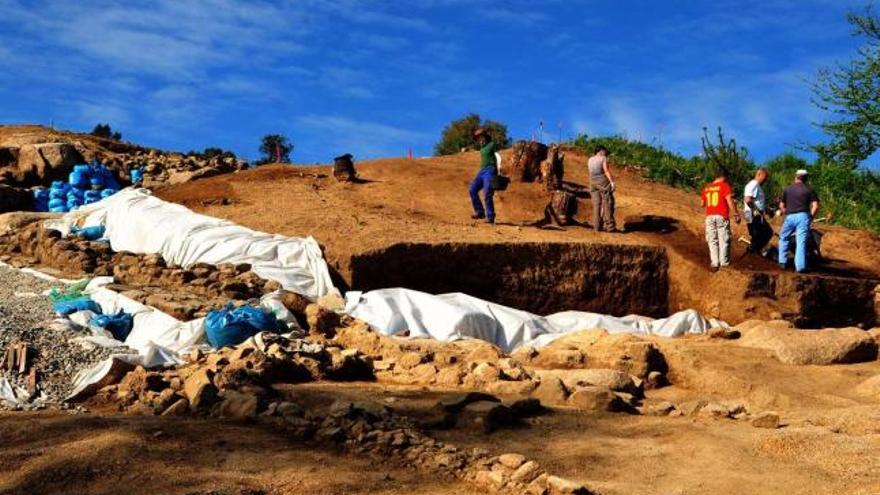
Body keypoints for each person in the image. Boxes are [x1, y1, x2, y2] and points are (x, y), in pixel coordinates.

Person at [778, 169, 820, 273]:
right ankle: (800, 266)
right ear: (806, 178)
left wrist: (785, 213)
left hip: (790, 216)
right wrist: (810, 217)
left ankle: (782, 261)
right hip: (803, 216)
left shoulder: (787, 189)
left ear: (796, 176)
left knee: (784, 237)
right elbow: (815, 206)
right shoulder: (809, 190)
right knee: (801, 241)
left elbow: (782, 206)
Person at [701, 167, 741, 272]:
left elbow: (702, 204)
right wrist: (736, 214)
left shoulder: (707, 187)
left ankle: (714, 263)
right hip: (721, 216)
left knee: (712, 240)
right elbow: (729, 200)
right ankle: (724, 263)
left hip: (709, 216)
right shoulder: (725, 186)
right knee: (723, 239)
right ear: (724, 176)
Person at [469, 128, 498, 224]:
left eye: (480, 137)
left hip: (490, 169)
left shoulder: (492, 145)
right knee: (472, 189)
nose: (479, 140)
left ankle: (490, 216)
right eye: (477, 138)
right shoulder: (482, 149)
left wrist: (499, 169)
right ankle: (480, 212)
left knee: (487, 192)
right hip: (482, 171)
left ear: (485, 137)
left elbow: (497, 156)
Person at [588, 146, 618, 232]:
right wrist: (612, 182)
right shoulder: (603, 158)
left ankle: (597, 226)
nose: (606, 154)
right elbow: (606, 171)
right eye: (605, 152)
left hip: (592, 183)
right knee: (607, 202)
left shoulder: (590, 159)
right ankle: (609, 226)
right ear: (601, 151)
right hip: (603, 182)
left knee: (596, 205)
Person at [743, 168, 772, 254]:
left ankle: (754, 252)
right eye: (765, 177)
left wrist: (767, 210)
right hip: (753, 214)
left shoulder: (756, 186)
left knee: (758, 235)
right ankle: (753, 252)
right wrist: (755, 211)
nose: (766, 180)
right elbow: (747, 199)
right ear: (759, 174)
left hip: (755, 214)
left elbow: (757, 201)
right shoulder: (753, 184)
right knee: (766, 233)